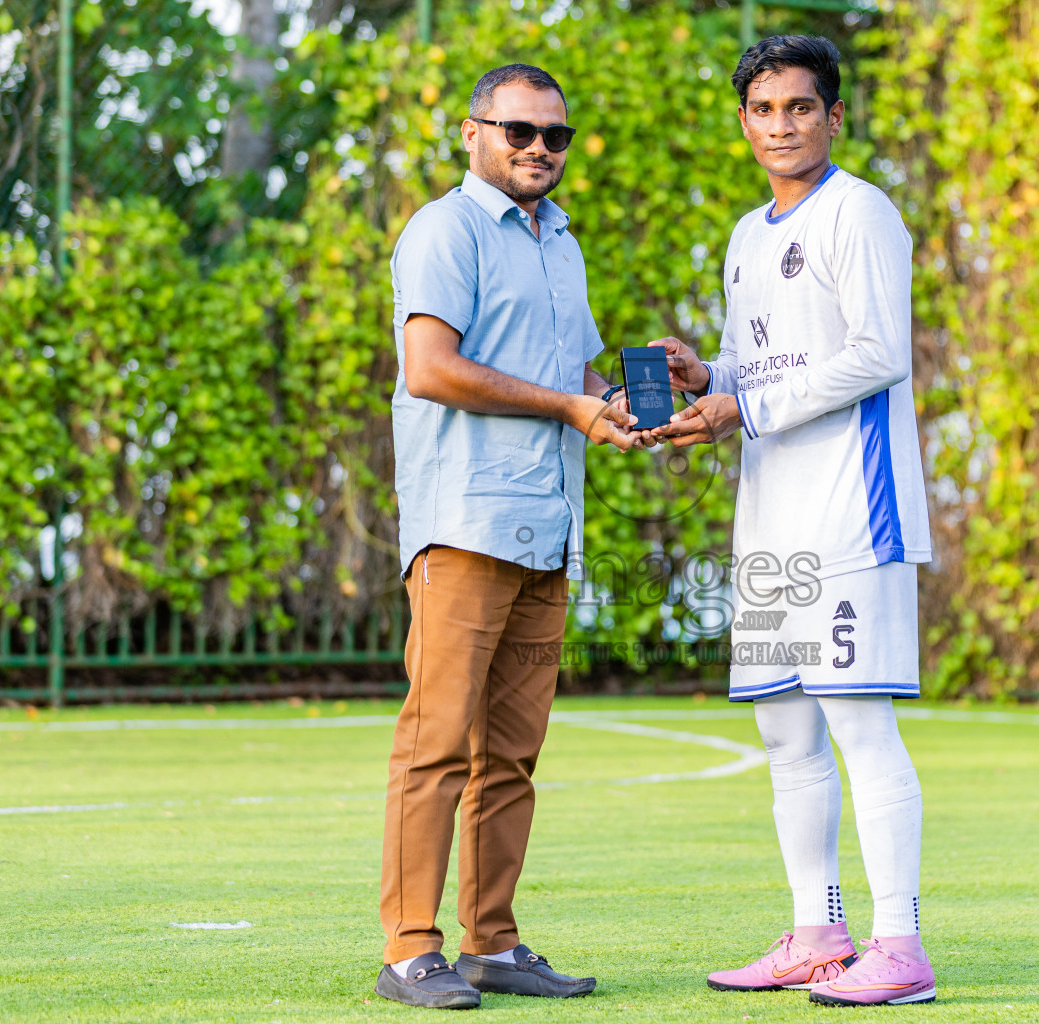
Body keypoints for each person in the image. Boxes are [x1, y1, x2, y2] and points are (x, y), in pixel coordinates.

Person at [649, 35, 936, 1007]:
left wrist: (745, 405)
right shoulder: (744, 236)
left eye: (801, 108)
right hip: (769, 523)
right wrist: (706, 382)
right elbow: (752, 370)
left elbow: (879, 352)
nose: (783, 125)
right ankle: (819, 933)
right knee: (785, 734)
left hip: (851, 514)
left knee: (860, 726)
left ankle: (899, 945)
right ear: (744, 122)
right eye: (765, 110)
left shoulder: (863, 212)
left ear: (834, 117)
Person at [376, 63, 640, 1011]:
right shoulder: (443, 230)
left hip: (547, 530)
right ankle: (411, 950)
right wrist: (570, 404)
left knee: (513, 757)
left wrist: (625, 406)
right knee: (437, 745)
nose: (538, 149)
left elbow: (571, 374)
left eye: (554, 137)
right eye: (519, 131)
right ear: (471, 131)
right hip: (466, 524)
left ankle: (491, 943)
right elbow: (433, 369)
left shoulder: (559, 241)